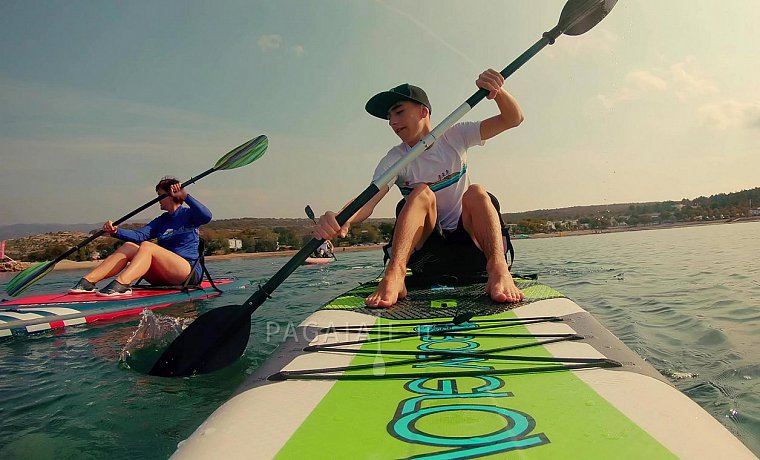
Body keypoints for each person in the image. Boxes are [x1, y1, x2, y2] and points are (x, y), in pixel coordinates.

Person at [313, 69, 525, 308]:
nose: (392, 122)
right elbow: (368, 203)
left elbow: (512, 119)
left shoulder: (455, 135)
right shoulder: (394, 159)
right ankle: (395, 275)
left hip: (472, 248)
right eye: (389, 117)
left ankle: (498, 270)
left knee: (477, 192)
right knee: (421, 192)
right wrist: (340, 218)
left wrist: (497, 92)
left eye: (399, 112)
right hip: (428, 255)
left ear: (424, 111)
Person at [69, 176, 212, 296]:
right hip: (164, 275)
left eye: (159, 196)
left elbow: (206, 216)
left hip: (187, 274)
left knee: (147, 246)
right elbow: (139, 235)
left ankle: (121, 285)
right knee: (129, 247)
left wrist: (185, 196)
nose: (158, 201)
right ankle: (87, 282)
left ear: (169, 196)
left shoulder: (188, 215)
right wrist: (115, 231)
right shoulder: (161, 220)